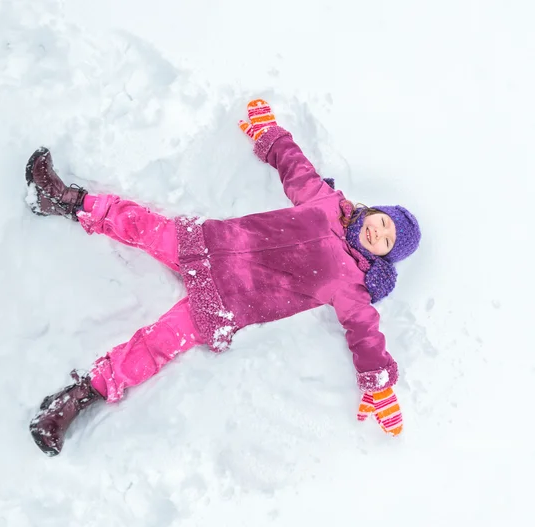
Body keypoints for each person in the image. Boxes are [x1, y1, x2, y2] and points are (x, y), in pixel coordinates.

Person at [26, 100, 421, 456]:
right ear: (373, 212)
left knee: (155, 346)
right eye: (383, 223)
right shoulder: (329, 205)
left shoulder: (352, 282)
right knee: (141, 224)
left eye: (386, 242)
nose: (379, 234)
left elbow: (365, 333)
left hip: (226, 304)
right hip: (211, 245)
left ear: (382, 256)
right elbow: (298, 171)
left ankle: (77, 398)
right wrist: (270, 135)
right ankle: (63, 199)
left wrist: (379, 384)